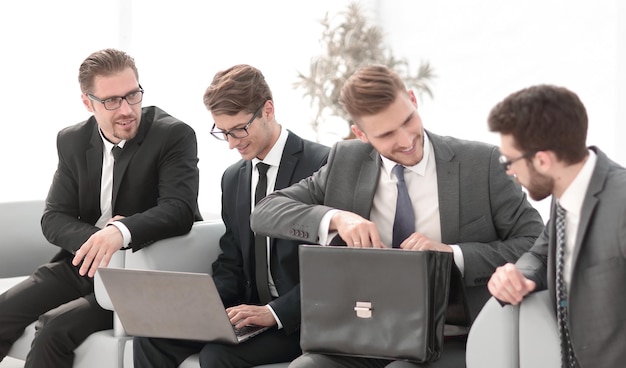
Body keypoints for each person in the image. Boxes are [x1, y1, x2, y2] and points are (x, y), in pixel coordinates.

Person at [250, 64, 544, 368]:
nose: (405, 140)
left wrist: (452, 254)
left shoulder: (481, 164)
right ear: (360, 134)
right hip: (364, 335)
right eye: (387, 133)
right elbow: (264, 213)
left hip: (452, 334)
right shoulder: (345, 161)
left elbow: (535, 241)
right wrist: (337, 218)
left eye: (408, 120)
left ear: (413, 100)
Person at [0, 48, 202, 367]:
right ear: (87, 102)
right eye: (111, 101)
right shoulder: (72, 140)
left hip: (141, 273)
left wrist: (121, 232)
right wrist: (103, 237)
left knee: (54, 328)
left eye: (132, 95)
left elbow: (179, 210)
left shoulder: (172, 135)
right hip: (86, 260)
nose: (126, 109)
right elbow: (54, 218)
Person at [133, 64, 330, 367]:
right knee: (151, 338)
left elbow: (336, 269)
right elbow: (232, 260)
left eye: (238, 129)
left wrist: (274, 312)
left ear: (268, 110)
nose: (231, 143)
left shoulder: (322, 165)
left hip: (300, 319)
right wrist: (200, 307)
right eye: (222, 132)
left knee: (218, 356)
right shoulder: (234, 177)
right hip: (249, 313)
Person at [486, 84, 626, 368]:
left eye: (508, 161)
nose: (509, 171)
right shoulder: (565, 194)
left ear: (542, 160)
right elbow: (541, 254)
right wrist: (515, 275)